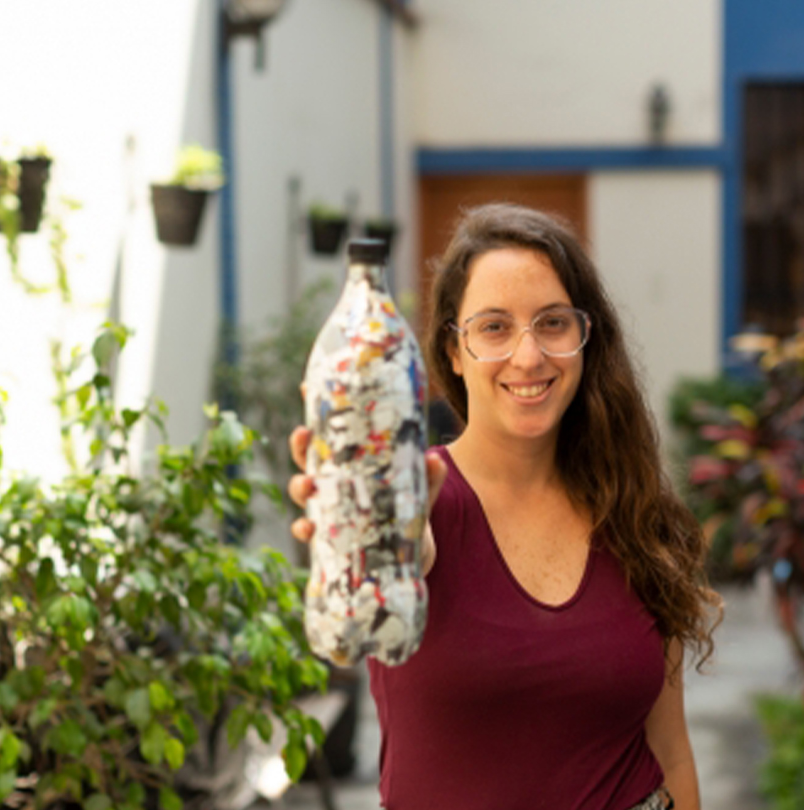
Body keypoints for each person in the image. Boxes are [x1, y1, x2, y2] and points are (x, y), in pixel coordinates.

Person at [287, 203, 722, 810]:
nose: (528, 356)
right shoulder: (419, 501)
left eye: (552, 323)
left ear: (585, 337)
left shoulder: (637, 512)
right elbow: (350, 632)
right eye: (494, 327)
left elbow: (670, 747)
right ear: (455, 351)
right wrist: (360, 548)